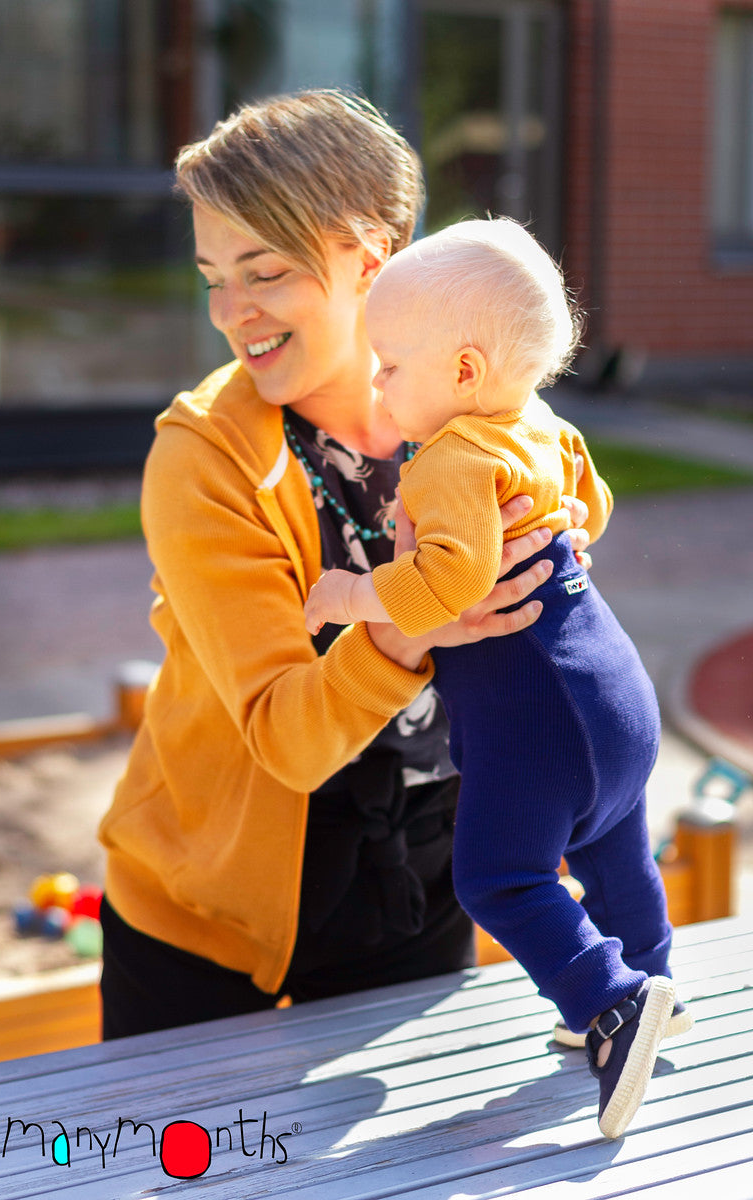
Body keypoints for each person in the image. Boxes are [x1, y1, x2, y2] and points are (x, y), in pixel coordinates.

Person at [97, 91, 592, 1045]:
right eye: (213, 277)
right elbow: (284, 735)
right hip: (207, 916)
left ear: (371, 257)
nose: (231, 313)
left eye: (265, 271)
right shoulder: (203, 457)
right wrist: (411, 626)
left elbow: (557, 570)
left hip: (424, 876)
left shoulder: (476, 400)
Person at [303, 217, 692, 1139]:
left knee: (500, 877)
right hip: (614, 689)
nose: (377, 382)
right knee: (612, 851)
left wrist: (354, 590)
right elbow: (590, 507)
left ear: (465, 373)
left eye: (391, 364)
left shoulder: (448, 462)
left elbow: (451, 584)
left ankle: (612, 1004)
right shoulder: (541, 426)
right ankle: (654, 982)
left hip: (536, 715)